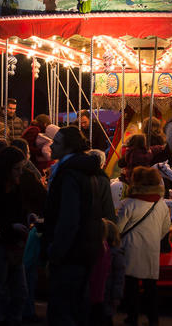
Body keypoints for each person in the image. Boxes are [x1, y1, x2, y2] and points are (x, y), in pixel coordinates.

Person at [43, 126, 116, 326]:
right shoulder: (87, 173)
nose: (52, 145)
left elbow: (69, 218)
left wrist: (56, 250)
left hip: (71, 251)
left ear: (68, 147)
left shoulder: (69, 175)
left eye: (56, 142)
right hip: (85, 247)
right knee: (78, 305)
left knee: (63, 308)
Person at [116, 166, 171, 326]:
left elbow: (118, 228)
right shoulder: (161, 205)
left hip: (131, 249)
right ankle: (153, 318)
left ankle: (132, 317)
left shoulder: (128, 203)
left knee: (131, 286)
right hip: (151, 249)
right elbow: (165, 228)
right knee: (151, 286)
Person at [0, 147, 29, 326]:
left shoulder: (17, 187)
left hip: (13, 243)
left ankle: (12, 318)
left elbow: (20, 210)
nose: (20, 172)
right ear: (6, 169)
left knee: (20, 291)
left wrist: (26, 218)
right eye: (17, 168)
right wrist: (10, 225)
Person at [88, 218, 125, 326]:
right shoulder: (107, 251)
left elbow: (118, 277)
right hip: (103, 293)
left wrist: (116, 296)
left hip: (106, 294)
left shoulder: (113, 253)